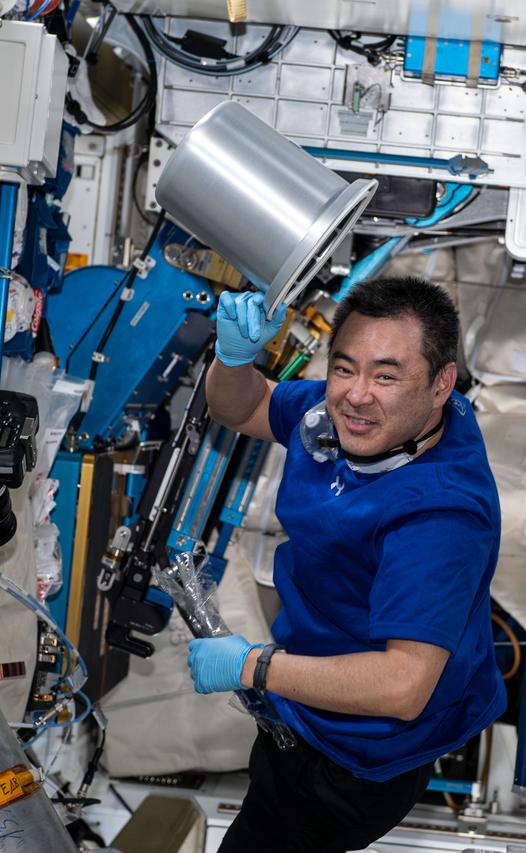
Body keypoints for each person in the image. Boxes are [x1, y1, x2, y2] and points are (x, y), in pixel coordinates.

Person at [188, 276, 506, 853]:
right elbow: (246, 407)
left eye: (386, 375)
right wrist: (233, 359)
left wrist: (254, 667)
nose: (357, 394)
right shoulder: (337, 417)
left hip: (359, 758)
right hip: (305, 703)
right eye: (344, 367)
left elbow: (402, 686)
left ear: (442, 385)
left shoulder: (441, 514)